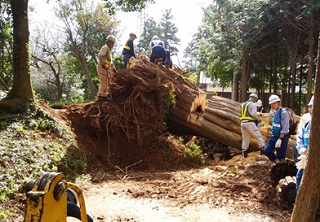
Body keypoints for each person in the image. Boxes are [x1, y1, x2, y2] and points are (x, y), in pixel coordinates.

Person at [294, 96, 320, 214]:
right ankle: (300, 205)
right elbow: (300, 138)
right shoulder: (308, 124)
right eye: (309, 107)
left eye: (312, 107)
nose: (310, 109)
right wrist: (302, 149)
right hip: (305, 160)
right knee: (300, 178)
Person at [263, 94, 290, 163]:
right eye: (271, 104)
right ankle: (276, 161)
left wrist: (280, 139)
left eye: (274, 103)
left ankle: (280, 167)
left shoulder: (284, 113)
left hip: (282, 137)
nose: (273, 105)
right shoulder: (275, 112)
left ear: (278, 103)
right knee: (267, 150)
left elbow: (285, 127)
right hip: (275, 135)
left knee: (280, 156)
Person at [240, 93, 265, 158]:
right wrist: (257, 119)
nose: (255, 101)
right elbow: (253, 114)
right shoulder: (252, 104)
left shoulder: (243, 104)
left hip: (243, 123)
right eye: (255, 100)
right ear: (254, 98)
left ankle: (244, 153)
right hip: (249, 123)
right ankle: (262, 151)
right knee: (259, 136)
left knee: (245, 139)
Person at [96, 35, 116, 101]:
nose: (112, 45)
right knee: (104, 80)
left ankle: (100, 94)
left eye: (113, 43)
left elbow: (110, 62)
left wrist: (113, 68)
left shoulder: (109, 50)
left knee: (105, 81)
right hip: (102, 67)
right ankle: (103, 96)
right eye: (112, 43)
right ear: (109, 42)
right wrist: (105, 64)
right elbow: (100, 56)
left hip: (105, 68)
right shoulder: (105, 48)